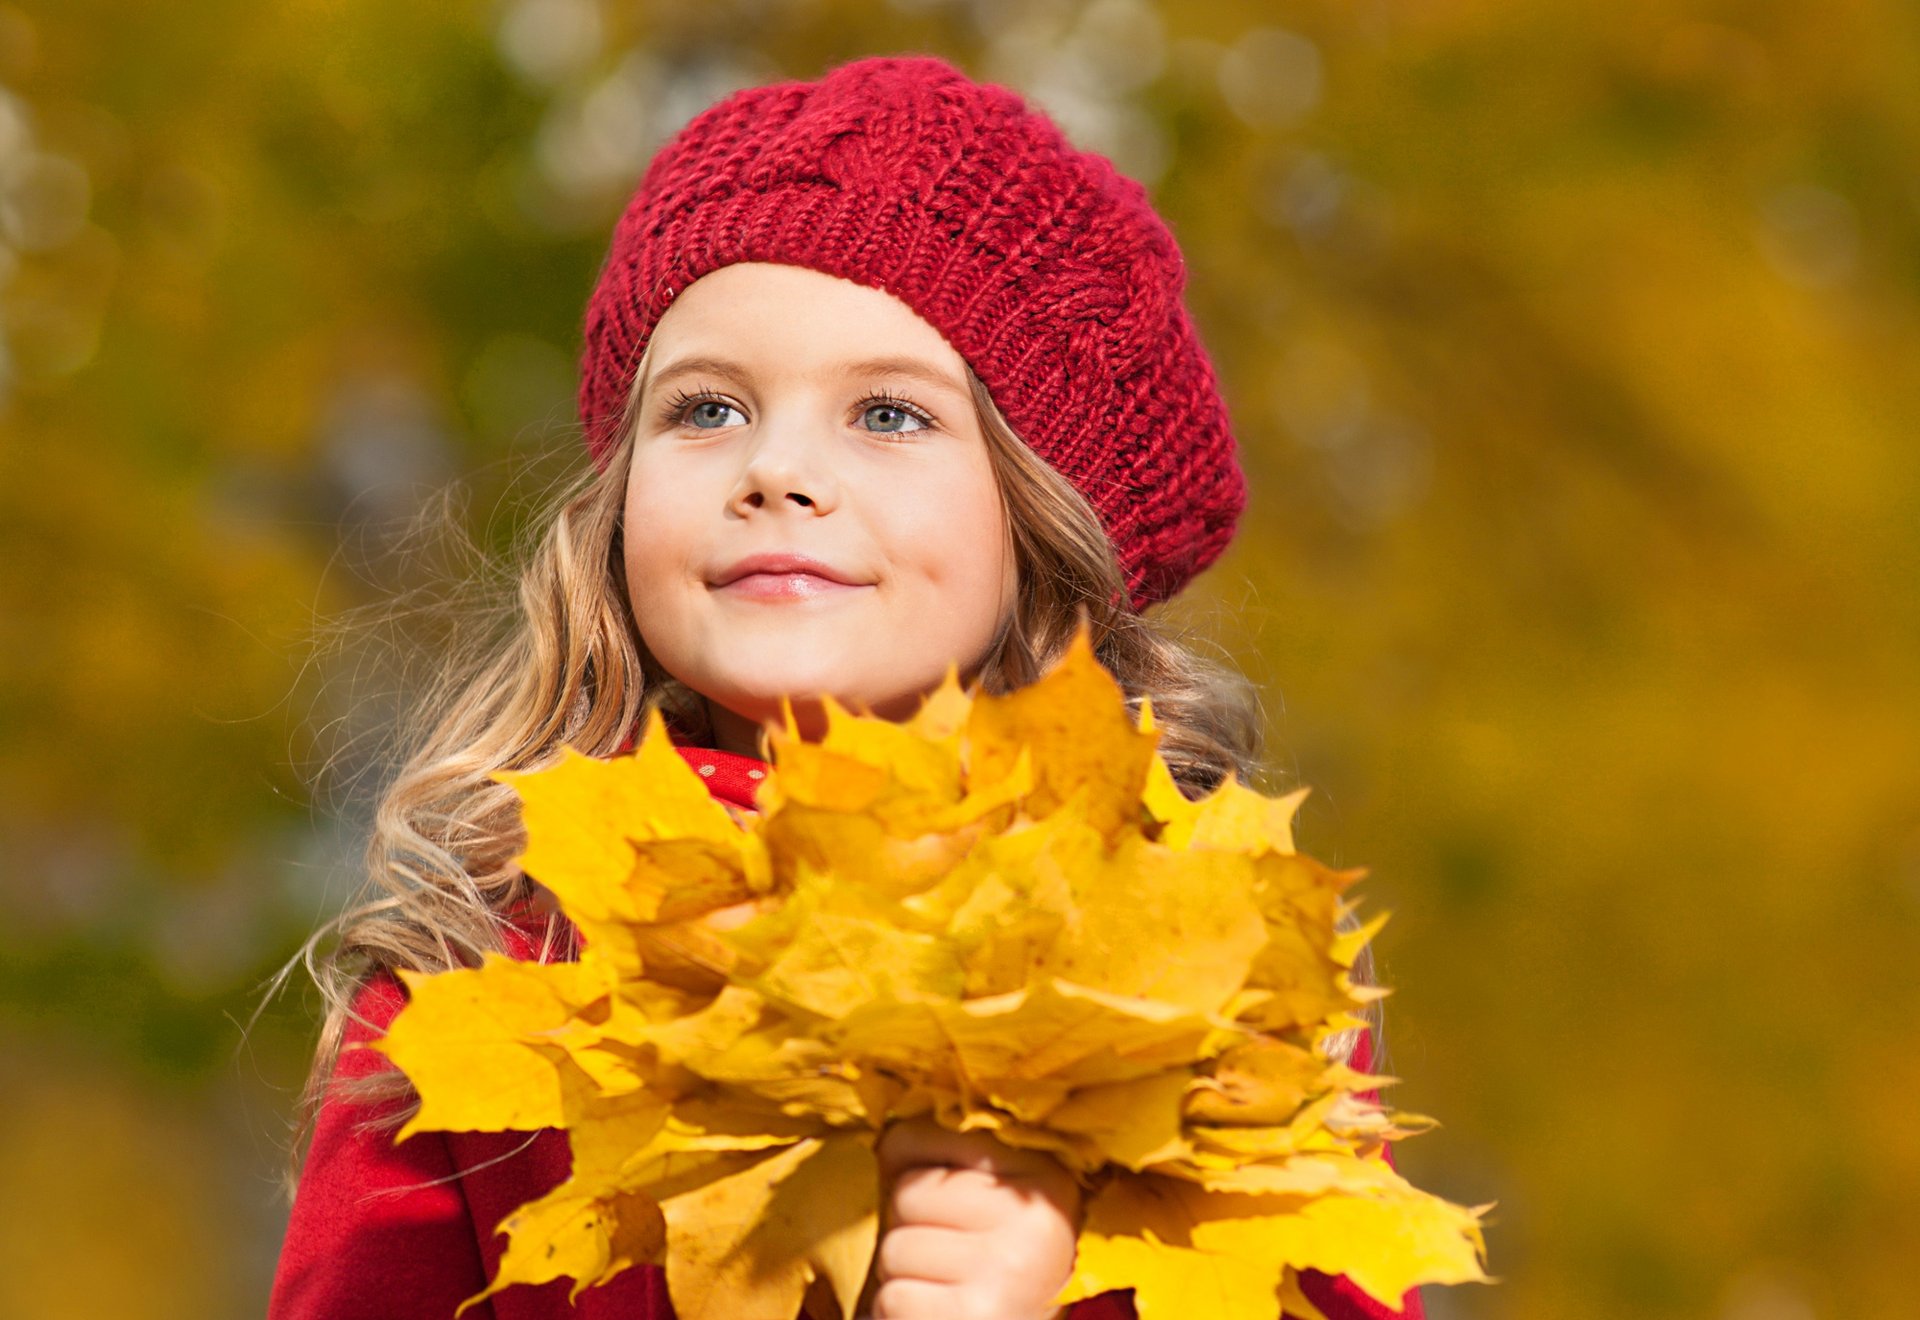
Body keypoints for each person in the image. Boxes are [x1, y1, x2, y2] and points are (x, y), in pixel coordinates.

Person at [270, 54, 1425, 1320]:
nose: (774, 470)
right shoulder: (480, 981)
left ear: (1042, 521)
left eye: (887, 416)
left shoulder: (1204, 983)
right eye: (706, 410)